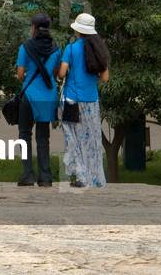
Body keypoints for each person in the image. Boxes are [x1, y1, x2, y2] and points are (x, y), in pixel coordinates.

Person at [58, 13, 109, 189]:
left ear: (78, 30)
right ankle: (95, 179)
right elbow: (105, 78)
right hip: (91, 101)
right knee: (92, 140)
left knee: (73, 138)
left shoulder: (71, 49)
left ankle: (80, 176)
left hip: (72, 101)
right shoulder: (99, 50)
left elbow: (62, 73)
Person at [15, 13, 61, 187]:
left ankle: (27, 175)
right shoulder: (56, 49)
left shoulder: (25, 47)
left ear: (34, 28)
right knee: (43, 137)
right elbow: (56, 72)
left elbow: (20, 74)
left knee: (24, 134)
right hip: (48, 96)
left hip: (29, 95)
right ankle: (45, 177)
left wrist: (27, 78)